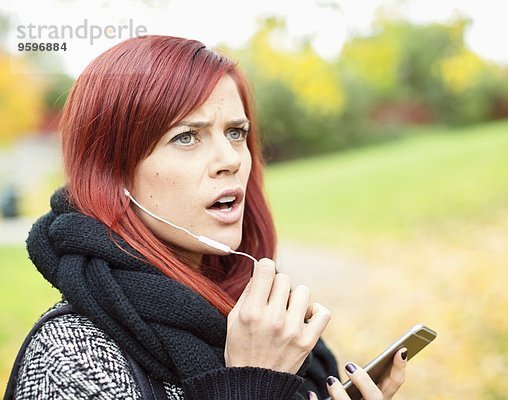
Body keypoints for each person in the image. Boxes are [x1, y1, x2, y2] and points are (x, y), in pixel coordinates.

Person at [9, 35, 408, 399]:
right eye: (186, 136)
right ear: (112, 174)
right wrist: (252, 381)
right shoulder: (70, 358)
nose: (230, 159)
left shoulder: (258, 321)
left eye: (236, 132)